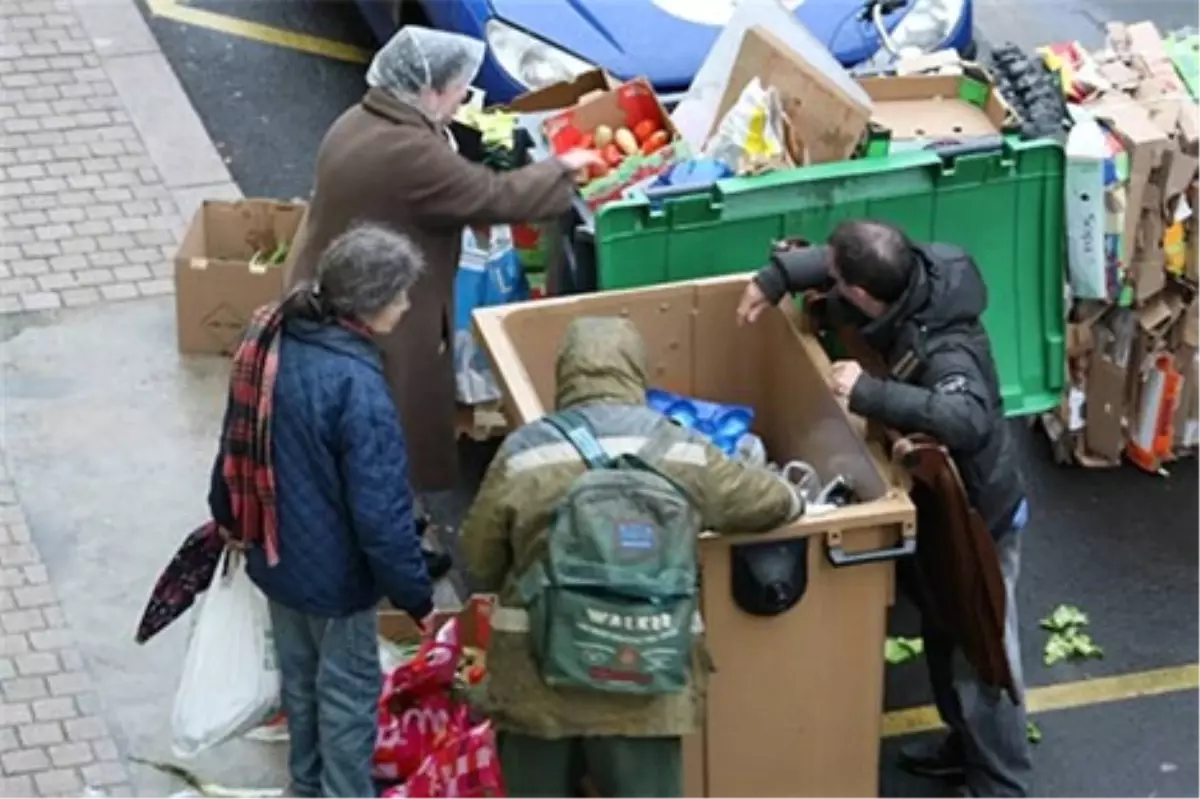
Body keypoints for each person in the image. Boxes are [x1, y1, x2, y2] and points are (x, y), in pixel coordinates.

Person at [737, 220, 1031, 799]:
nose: (830, 280)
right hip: (940, 513)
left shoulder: (949, 350)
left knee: (982, 658)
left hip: (978, 523)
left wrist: (867, 392)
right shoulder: (910, 271)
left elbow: (968, 421)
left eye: (837, 281)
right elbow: (839, 260)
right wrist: (776, 277)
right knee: (941, 634)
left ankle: (1002, 784)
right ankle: (962, 746)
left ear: (866, 295)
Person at [284, 26, 599, 566]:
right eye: (458, 90)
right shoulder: (410, 153)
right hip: (373, 314)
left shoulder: (359, 120)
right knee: (386, 431)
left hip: (327, 287)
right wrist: (561, 171)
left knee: (354, 430)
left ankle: (393, 520)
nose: (464, 102)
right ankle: (394, 539)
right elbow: (490, 196)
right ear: (428, 91)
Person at [459, 317, 804, 799]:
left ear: (565, 374)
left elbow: (479, 558)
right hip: (644, 674)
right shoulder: (681, 447)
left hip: (536, 673)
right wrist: (797, 496)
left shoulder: (524, 451)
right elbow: (771, 502)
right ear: (636, 371)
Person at [208, 224, 434, 799]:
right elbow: (381, 514)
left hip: (275, 556)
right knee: (347, 699)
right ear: (371, 303)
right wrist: (415, 595)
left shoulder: (273, 338)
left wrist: (229, 517)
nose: (406, 305)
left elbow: (234, 437)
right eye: (400, 294)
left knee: (301, 686)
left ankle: (304, 789)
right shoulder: (357, 384)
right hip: (336, 581)